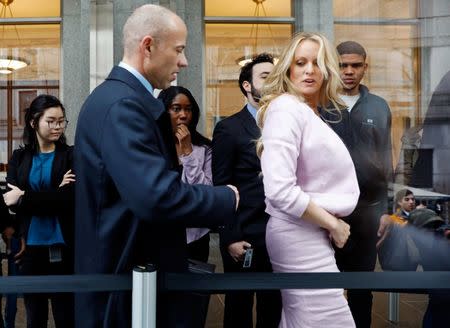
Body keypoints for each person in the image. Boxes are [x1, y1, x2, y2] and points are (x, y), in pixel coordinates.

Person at [74, 4, 238, 328]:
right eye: (178, 50)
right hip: (124, 290)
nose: (184, 61)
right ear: (148, 46)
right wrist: (226, 198)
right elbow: (155, 196)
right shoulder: (123, 106)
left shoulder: (122, 100)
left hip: (131, 282)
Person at [256, 32, 360, 327]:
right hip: (297, 233)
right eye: (300, 62)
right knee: (330, 321)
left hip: (307, 231)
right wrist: (335, 225)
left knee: (301, 319)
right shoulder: (286, 108)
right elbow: (279, 191)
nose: (309, 70)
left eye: (317, 63)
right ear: (288, 68)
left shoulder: (306, 111)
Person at [323, 40, 393, 328]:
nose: (349, 71)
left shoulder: (378, 106)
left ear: (365, 67)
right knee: (326, 290)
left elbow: (386, 160)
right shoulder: (320, 104)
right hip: (327, 213)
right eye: (343, 65)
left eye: (356, 65)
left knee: (362, 291)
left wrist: (388, 209)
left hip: (368, 214)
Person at [212, 53, 281, 327]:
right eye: (265, 76)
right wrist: (230, 236)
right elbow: (221, 186)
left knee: (273, 306)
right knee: (238, 308)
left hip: (279, 235)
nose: (272, 81)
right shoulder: (228, 128)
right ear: (247, 85)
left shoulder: (283, 123)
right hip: (244, 235)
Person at [2, 94, 75, 328]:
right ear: (34, 122)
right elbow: (8, 201)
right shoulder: (20, 157)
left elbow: (68, 199)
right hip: (29, 247)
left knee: (65, 315)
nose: (57, 126)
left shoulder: (70, 156)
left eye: (61, 121)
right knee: (35, 317)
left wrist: (24, 196)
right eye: (51, 121)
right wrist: (54, 192)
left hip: (63, 245)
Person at [157, 85, 213, 327]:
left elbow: (206, 192)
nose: (183, 115)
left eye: (188, 109)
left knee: (192, 304)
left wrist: (188, 153)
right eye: (176, 109)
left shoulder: (204, 149)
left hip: (195, 237)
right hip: (161, 235)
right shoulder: (153, 147)